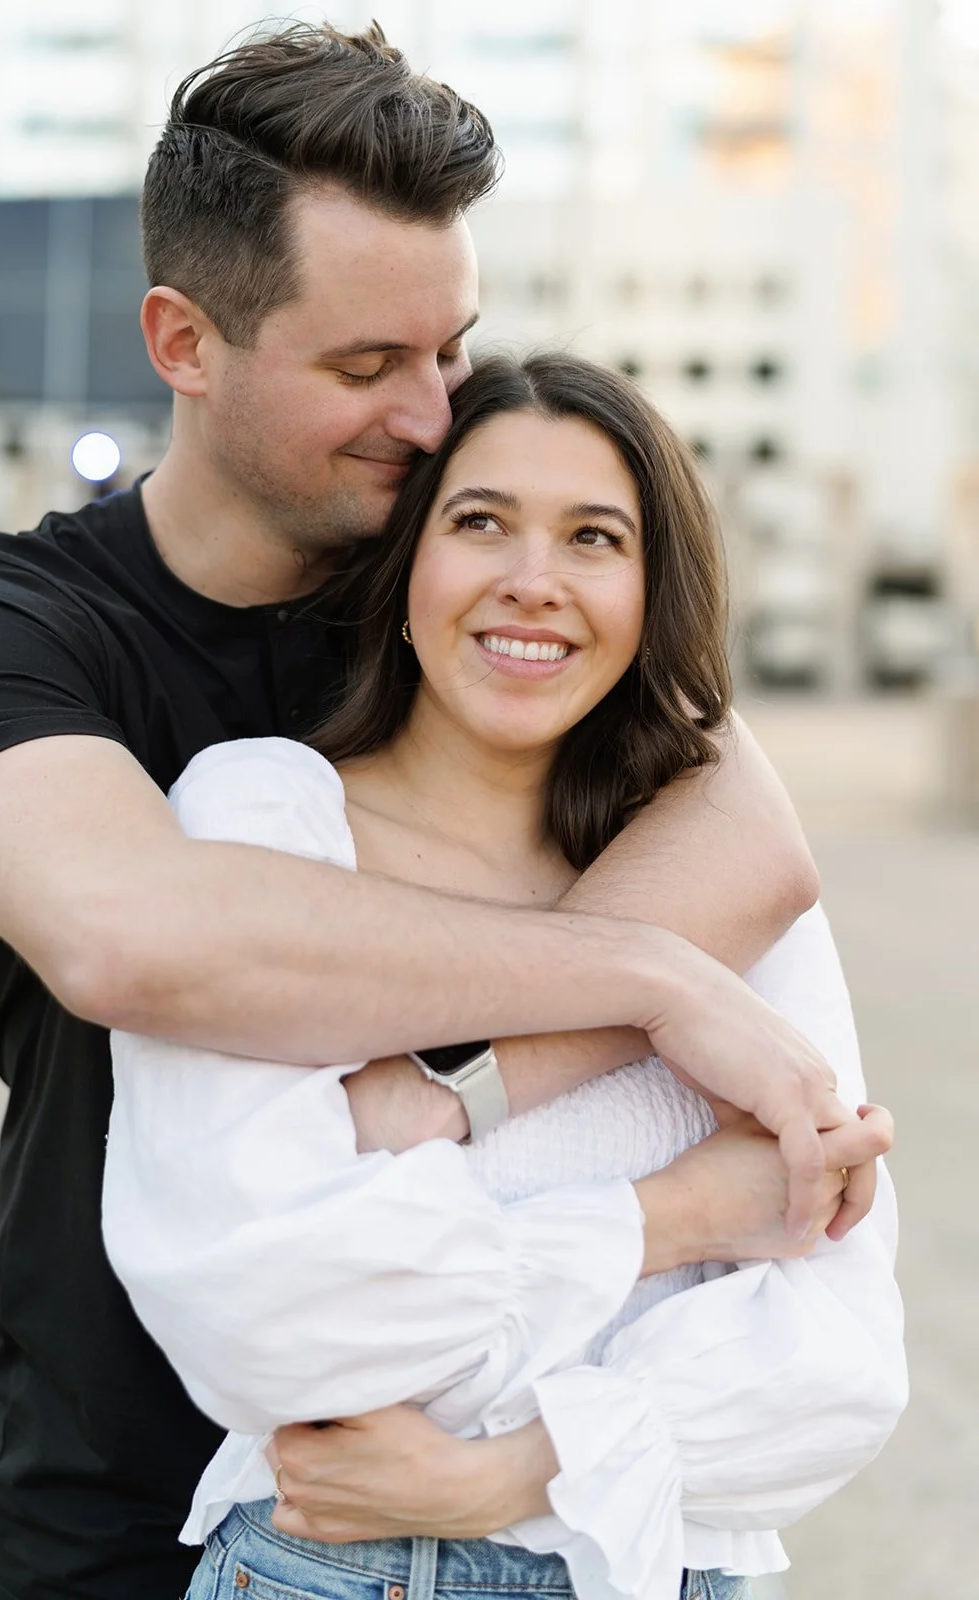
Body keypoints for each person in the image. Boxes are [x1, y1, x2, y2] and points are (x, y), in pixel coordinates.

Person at [0, 23, 887, 1600]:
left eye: (449, 351)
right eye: (365, 367)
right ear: (184, 339)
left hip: (536, 1478)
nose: (428, 417)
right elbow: (131, 940)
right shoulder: (13, 628)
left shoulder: (470, 590)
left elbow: (747, 834)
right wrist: (658, 991)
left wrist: (462, 1095)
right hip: (131, 1482)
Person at [103, 352, 906, 1600]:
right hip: (348, 1569)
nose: (534, 582)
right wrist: (677, 1218)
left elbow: (840, 1360)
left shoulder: (723, 884)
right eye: (481, 523)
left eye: (596, 537)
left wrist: (514, 1467)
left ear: (652, 594)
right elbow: (269, 1307)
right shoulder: (268, 823)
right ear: (407, 565)